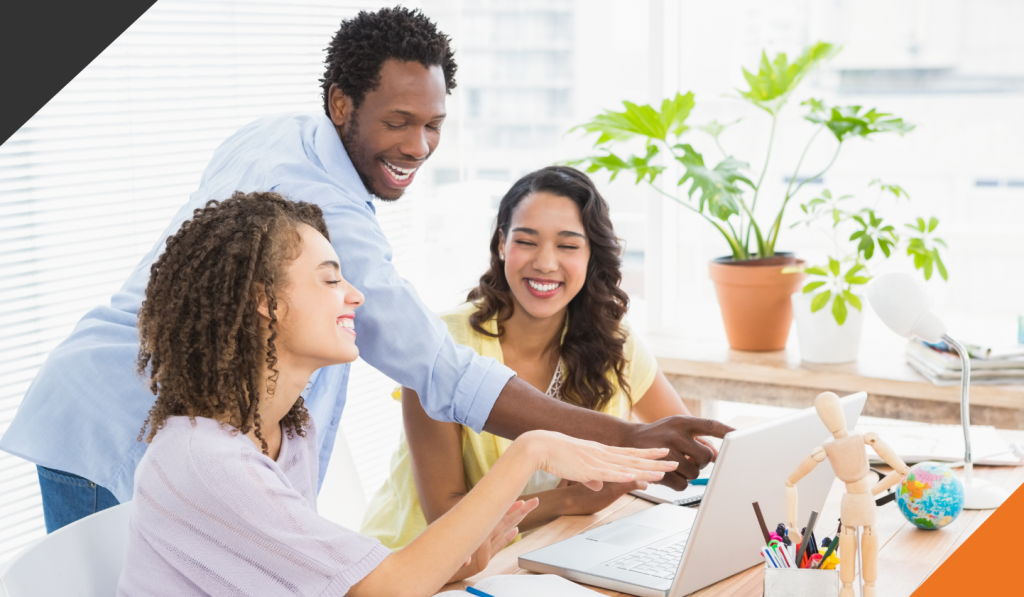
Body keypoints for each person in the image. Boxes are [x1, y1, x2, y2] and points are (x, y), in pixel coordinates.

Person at [0, 6, 730, 533]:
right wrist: (619, 437)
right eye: (397, 121)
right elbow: (442, 373)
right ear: (341, 102)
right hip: (115, 414)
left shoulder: (287, 134)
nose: (418, 145)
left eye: (433, 123)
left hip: (162, 415)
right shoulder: (326, 211)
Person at [116, 191, 678, 596]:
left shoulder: (288, 430)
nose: (356, 295)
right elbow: (382, 590)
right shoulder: (207, 459)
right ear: (268, 301)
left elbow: (327, 577)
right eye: (332, 278)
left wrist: (458, 564)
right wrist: (530, 449)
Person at [361, 167, 716, 550]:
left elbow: (683, 452)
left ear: (591, 253)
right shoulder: (439, 346)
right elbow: (446, 516)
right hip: (423, 570)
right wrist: (571, 500)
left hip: (550, 556)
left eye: (568, 245)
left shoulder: (617, 345)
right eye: (527, 241)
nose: (546, 263)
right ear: (501, 244)